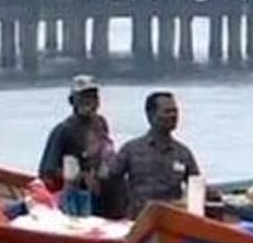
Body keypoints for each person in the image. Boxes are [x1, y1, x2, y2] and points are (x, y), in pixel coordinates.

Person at [102, 91, 202, 220]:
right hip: (138, 221)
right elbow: (110, 180)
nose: (173, 116)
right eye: (167, 111)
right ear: (150, 115)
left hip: (171, 222)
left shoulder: (183, 153)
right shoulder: (131, 149)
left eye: (175, 111)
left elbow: (197, 188)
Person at [37, 74, 123, 217]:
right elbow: (47, 172)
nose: (89, 101)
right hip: (73, 195)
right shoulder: (63, 130)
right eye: (84, 97)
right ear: (72, 101)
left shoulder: (100, 123)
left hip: (100, 191)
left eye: (93, 97)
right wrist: (80, 177)